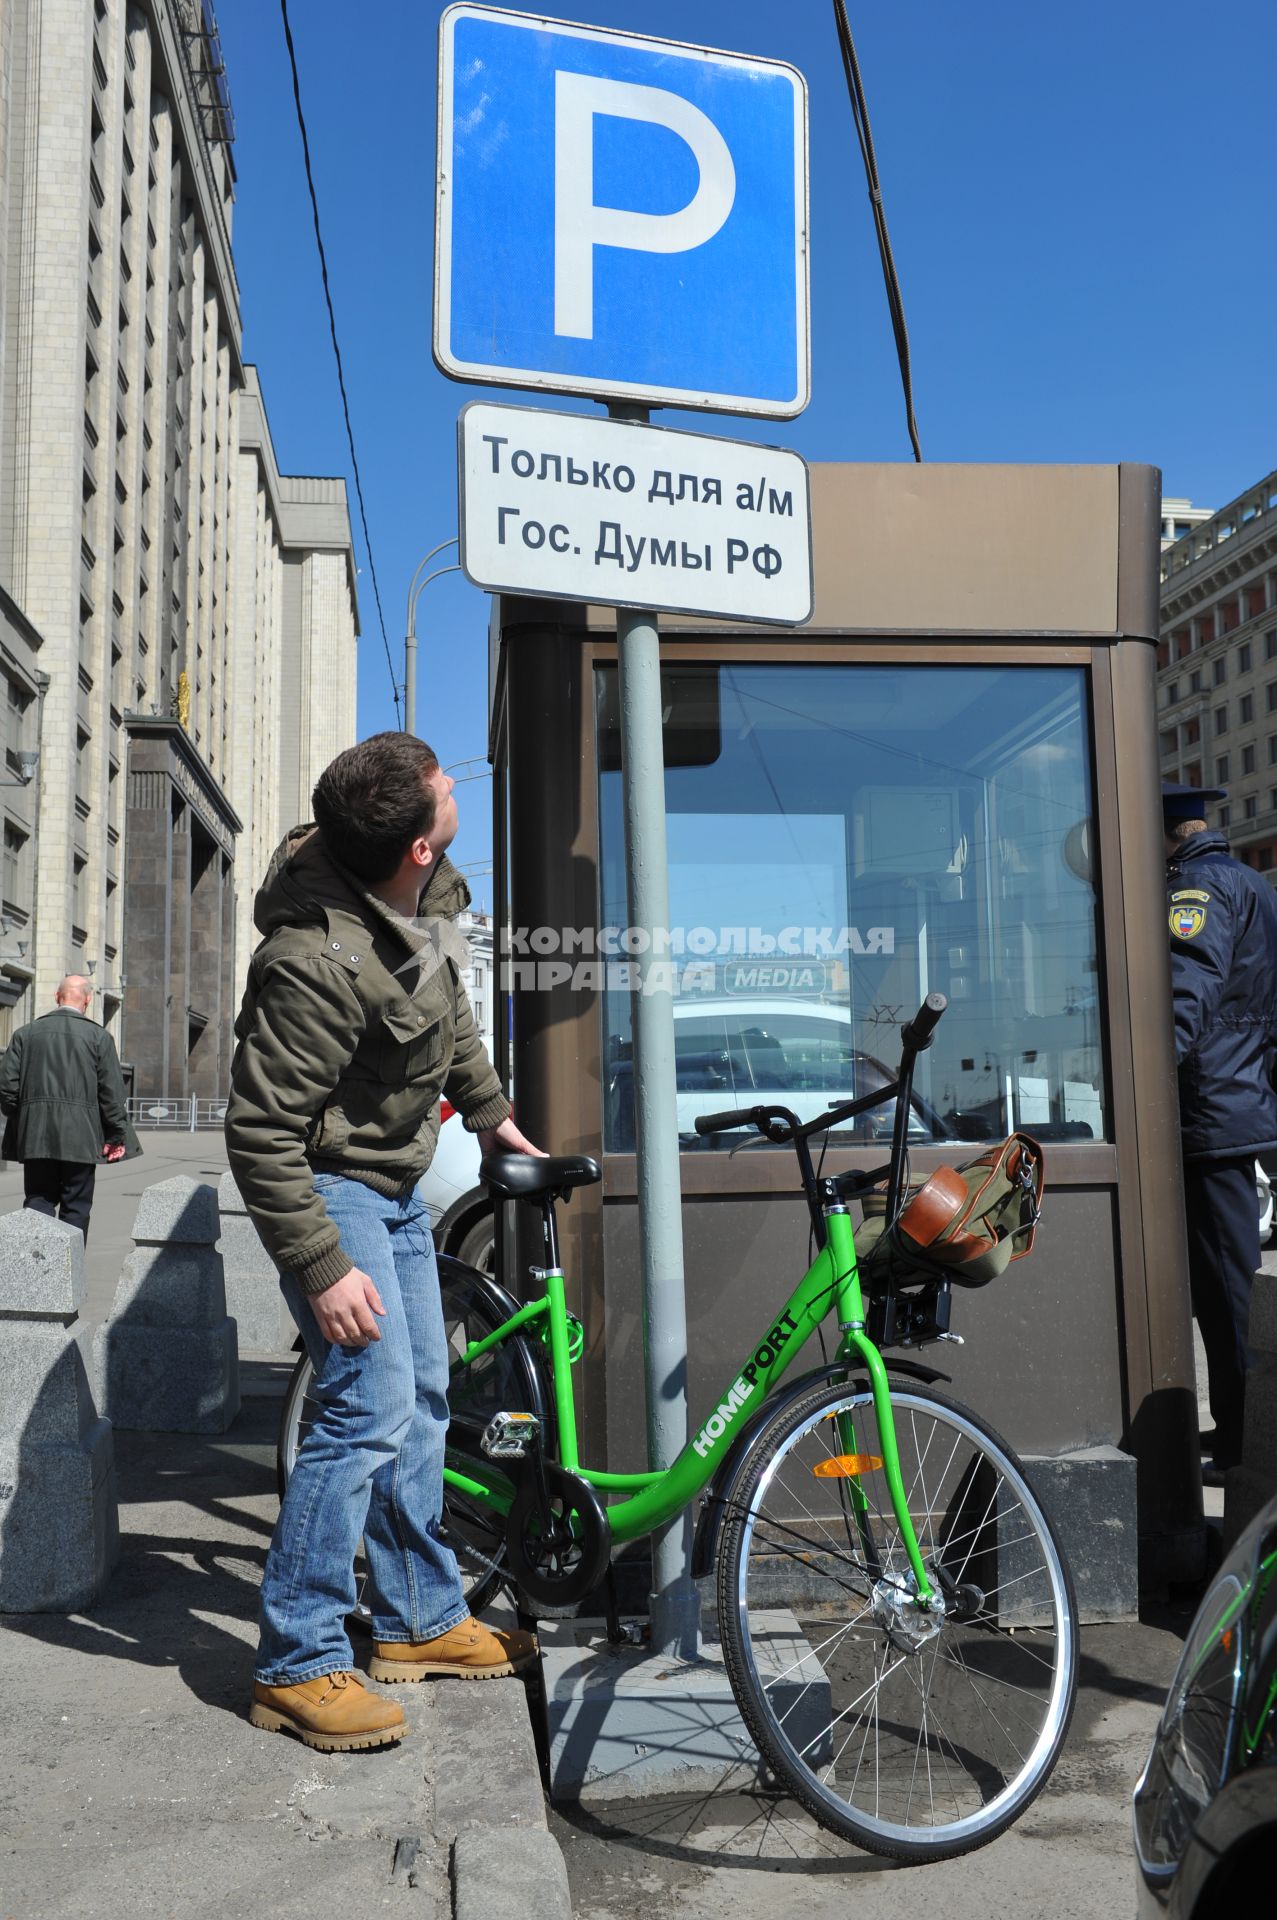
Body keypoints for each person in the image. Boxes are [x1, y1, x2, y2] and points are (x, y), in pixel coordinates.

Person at [226, 732, 542, 1754]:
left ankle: (418, 1620)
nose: (452, 785)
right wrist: (320, 1267)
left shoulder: (430, 889)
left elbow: (447, 1011)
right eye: (440, 787)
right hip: (331, 1188)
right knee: (361, 1409)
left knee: (421, 1400)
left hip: (398, 1178)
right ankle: (298, 1661)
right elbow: (262, 1133)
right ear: (409, 844)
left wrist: (490, 1113)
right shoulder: (312, 966)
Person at [1163, 782, 1277, 1484]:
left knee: (1227, 1291)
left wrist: (1140, 1086)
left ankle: (1244, 1443)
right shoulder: (1249, 882)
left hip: (1208, 1112)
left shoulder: (1197, 888)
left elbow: (1184, 992)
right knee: (1222, 1285)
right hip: (1239, 1103)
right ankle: (1235, 1430)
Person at [0, 975, 132, 1239]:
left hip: (36, 1135)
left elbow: (7, 1088)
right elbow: (112, 1095)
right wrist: (116, 1135)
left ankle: (35, 1265)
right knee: (76, 1207)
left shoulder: (25, 1034)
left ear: (56, 997)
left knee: (38, 1200)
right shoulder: (99, 1037)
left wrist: (26, 1116)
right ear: (87, 1000)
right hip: (82, 1138)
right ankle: (71, 1271)